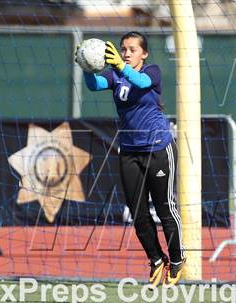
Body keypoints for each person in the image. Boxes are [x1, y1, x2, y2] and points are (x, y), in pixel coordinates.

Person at [75, 31, 185, 286]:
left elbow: (142, 82)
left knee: (165, 208)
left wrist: (121, 66)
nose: (126, 52)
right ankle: (157, 259)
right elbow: (94, 85)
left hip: (158, 149)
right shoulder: (115, 75)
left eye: (132, 49)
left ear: (143, 53)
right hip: (129, 151)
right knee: (137, 212)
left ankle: (177, 257)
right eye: (123, 48)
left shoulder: (152, 71)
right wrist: (85, 65)